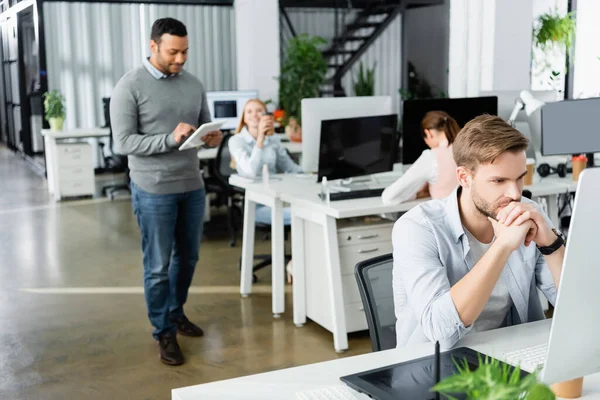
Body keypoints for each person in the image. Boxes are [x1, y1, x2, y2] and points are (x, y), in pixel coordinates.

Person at [392, 115, 565, 349]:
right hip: (438, 367)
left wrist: (552, 245)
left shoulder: (528, 212)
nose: (514, 193)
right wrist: (502, 247)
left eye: (519, 179)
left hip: (512, 357)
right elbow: (438, 328)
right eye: (499, 181)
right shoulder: (417, 228)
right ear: (464, 177)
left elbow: (579, 308)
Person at [110, 18, 222, 366]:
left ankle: (175, 313)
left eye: (185, 51)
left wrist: (212, 138)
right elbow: (123, 142)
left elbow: (203, 125)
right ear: (153, 45)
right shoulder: (129, 86)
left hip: (191, 184)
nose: (181, 59)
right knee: (157, 265)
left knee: (188, 258)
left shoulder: (193, 84)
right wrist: (169, 139)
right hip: (152, 187)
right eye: (173, 51)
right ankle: (163, 331)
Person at [228, 99, 303, 227]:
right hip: (256, 205)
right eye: (249, 112)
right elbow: (250, 172)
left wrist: (312, 172)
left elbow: (290, 167)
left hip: (278, 197)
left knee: (308, 210)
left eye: (259, 111)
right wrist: (260, 140)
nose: (254, 115)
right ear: (244, 118)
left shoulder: (273, 139)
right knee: (301, 215)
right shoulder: (236, 141)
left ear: (266, 116)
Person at [381, 111, 460, 204]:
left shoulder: (431, 157)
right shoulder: (469, 149)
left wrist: (419, 194)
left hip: (446, 216)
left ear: (428, 133)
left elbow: (389, 197)